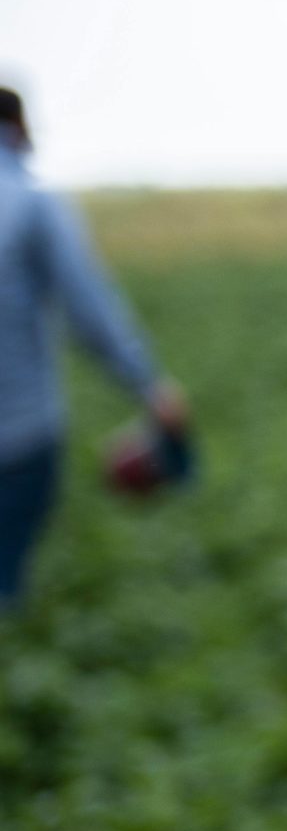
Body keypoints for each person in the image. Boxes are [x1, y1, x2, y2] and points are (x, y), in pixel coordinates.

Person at [0, 86, 188, 609]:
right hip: (16, 436)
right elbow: (88, 309)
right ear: (19, 129)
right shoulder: (31, 204)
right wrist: (149, 385)